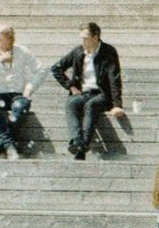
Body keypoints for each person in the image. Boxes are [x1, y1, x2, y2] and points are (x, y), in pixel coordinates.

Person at [50, 22, 124, 159]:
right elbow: (56, 68)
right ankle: (77, 141)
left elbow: (115, 79)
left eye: (85, 37)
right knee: (71, 103)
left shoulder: (108, 52)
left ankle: (82, 146)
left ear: (95, 37)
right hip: (83, 93)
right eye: (81, 37)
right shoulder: (78, 52)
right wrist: (70, 86)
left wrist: (117, 105)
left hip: (102, 94)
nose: (82, 41)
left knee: (91, 105)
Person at [0, 24, 38, 158]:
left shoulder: (22, 51)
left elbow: (40, 69)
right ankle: (9, 144)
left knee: (21, 106)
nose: (12, 38)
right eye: (8, 36)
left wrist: (29, 87)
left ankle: (1, 143)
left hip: (17, 93)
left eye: (13, 35)